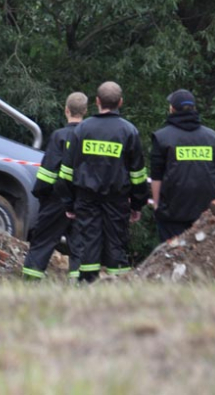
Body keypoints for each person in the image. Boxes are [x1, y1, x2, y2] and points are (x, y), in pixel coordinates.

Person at [58, 81, 148, 283]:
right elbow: (138, 174)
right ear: (121, 102)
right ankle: (120, 286)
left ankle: (88, 284)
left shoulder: (82, 130)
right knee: (117, 243)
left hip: (86, 198)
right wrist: (137, 203)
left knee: (89, 242)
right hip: (117, 199)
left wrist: (69, 202)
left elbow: (66, 171)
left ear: (97, 101)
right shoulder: (129, 131)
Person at [23, 92, 88, 281]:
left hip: (55, 200)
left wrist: (41, 194)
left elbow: (47, 172)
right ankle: (80, 287)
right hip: (82, 201)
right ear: (85, 111)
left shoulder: (59, 136)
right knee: (80, 247)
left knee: (42, 243)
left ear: (66, 110)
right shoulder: (90, 137)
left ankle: (29, 283)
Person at [150, 89, 215, 241]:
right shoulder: (211, 136)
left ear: (172, 109)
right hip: (204, 212)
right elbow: (214, 171)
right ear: (194, 108)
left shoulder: (162, 137)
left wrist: (156, 205)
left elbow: (156, 175)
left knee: (172, 257)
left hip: (171, 212)